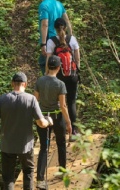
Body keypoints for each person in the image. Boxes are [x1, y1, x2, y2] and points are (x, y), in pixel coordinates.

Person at [0, 72, 53, 190]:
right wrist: (49, 121)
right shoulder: (31, 99)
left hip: (7, 145)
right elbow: (41, 123)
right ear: (25, 84)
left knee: (8, 177)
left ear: (12, 84)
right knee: (28, 172)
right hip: (26, 146)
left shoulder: (3, 99)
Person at [34, 55, 72, 189]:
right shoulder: (60, 84)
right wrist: (68, 122)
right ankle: (62, 172)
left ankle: (40, 179)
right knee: (61, 144)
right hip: (57, 117)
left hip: (42, 117)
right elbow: (63, 106)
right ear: (58, 67)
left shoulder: (40, 81)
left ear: (48, 66)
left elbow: (35, 101)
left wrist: (36, 117)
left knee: (44, 148)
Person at [46, 17, 80, 142]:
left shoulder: (51, 41)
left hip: (58, 77)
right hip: (72, 76)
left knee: (59, 103)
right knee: (71, 103)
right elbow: (77, 58)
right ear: (65, 28)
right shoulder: (72, 39)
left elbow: (49, 60)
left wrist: (47, 74)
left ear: (55, 29)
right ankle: (74, 132)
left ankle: (60, 131)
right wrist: (76, 70)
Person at [35, 0, 73, 74]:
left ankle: (48, 83)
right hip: (61, 38)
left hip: (50, 40)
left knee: (44, 63)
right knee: (59, 62)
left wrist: (43, 44)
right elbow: (67, 21)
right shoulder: (58, 3)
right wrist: (70, 38)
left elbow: (44, 24)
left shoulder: (44, 5)